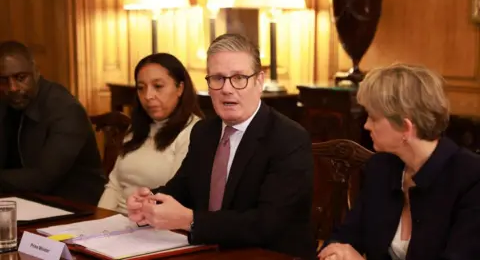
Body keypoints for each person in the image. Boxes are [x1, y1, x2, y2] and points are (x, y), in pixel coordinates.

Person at [126, 34, 317, 259]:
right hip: (207, 250)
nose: (226, 89)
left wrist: (191, 220)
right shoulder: (204, 132)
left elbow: (266, 224)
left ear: (259, 81)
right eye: (217, 78)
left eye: (238, 78)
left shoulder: (288, 138)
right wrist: (149, 201)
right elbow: (182, 189)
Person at [318, 63, 480, 260]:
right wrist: (335, 255)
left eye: (374, 118)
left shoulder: (471, 178)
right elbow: (345, 236)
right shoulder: (381, 167)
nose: (367, 125)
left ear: (405, 127)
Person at [0, 40, 105, 205]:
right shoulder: (5, 103)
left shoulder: (65, 108)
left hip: (76, 205)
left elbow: (43, 178)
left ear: (36, 72)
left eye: (20, 78)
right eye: (3, 80)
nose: (12, 87)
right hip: (25, 200)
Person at [98, 53, 203, 214]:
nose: (148, 96)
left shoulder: (194, 131)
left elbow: (175, 196)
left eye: (158, 86)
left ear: (180, 88)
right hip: (116, 223)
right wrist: (98, 222)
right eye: (141, 88)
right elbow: (114, 185)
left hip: (154, 224)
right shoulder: (139, 126)